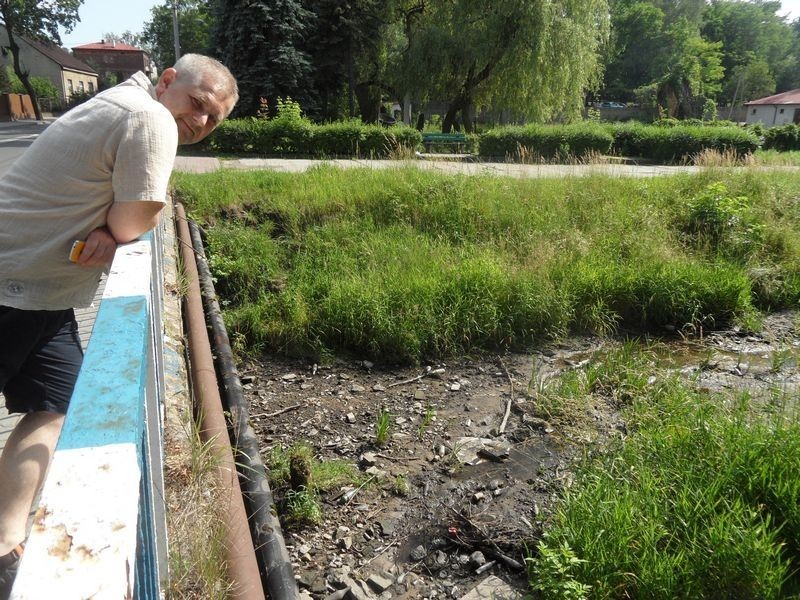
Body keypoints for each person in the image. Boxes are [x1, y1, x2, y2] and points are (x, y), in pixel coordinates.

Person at [0, 53, 238, 596]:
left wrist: (111, 223)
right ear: (168, 81)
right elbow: (136, 216)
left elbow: (122, 215)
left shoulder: (128, 107)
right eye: (198, 105)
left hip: (43, 292)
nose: (201, 122)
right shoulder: (148, 117)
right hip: (9, 287)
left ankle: (4, 542)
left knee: (57, 405)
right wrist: (117, 224)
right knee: (57, 406)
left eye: (213, 119)